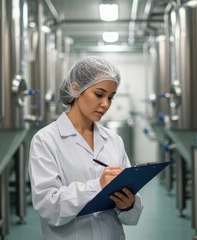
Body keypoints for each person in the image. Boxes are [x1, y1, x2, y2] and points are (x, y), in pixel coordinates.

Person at [28, 56, 143, 239]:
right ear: (76, 89)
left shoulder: (113, 140)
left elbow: (132, 215)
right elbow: (48, 207)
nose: (105, 104)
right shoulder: (46, 140)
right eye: (99, 94)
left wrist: (128, 204)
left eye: (110, 97)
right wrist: (97, 185)